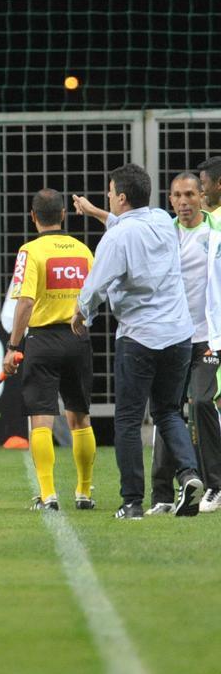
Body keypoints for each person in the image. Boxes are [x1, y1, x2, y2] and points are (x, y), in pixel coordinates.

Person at [76, 172, 221, 515]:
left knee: (127, 419)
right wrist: (96, 212)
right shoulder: (161, 222)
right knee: (168, 412)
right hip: (179, 335)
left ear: (121, 198)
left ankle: (132, 502)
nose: (109, 197)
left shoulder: (119, 237)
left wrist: (82, 313)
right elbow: (126, 226)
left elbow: (96, 285)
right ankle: (188, 476)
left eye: (110, 192)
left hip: (140, 336)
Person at [1, 189, 96, 511]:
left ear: (33, 216)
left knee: (41, 419)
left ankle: (48, 494)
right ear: (63, 215)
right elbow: (96, 293)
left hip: (42, 340)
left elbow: (25, 302)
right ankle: (84, 492)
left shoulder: (30, 251)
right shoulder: (82, 250)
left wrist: (13, 346)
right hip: (78, 337)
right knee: (80, 417)